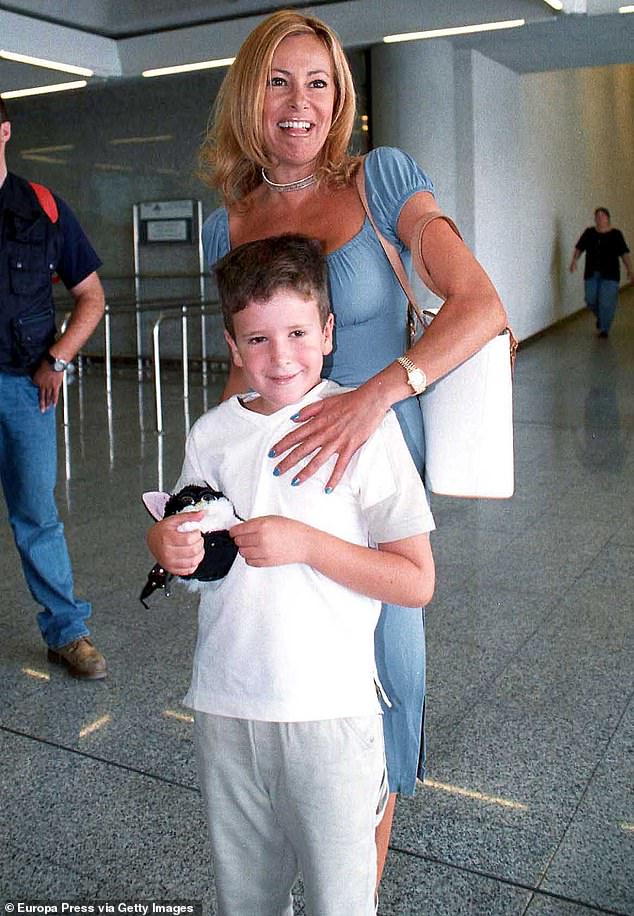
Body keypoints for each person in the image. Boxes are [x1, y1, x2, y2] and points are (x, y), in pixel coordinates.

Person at [198, 9, 507, 879]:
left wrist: (374, 397)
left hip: (376, 472)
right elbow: (247, 370)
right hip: (284, 484)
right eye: (279, 81)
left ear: (341, 99)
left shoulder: (382, 179)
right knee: (299, 679)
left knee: (385, 677)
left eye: (319, 81)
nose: (300, 103)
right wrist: (204, 477)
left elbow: (479, 303)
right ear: (249, 96)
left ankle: (355, 889)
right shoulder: (229, 222)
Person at [147, 234, 436, 915]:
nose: (280, 358)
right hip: (227, 705)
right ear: (231, 344)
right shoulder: (212, 434)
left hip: (330, 715)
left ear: (329, 332)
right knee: (246, 897)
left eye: (299, 333)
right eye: (256, 340)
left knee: (341, 899)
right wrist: (167, 545)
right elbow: (199, 548)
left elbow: (415, 580)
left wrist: (305, 542)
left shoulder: (362, 427)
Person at [0, 99, 107, 679]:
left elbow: (92, 297)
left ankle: (66, 632)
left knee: (37, 515)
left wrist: (59, 359)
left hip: (24, 390)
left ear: (5, 131)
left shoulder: (42, 209)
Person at [569, 207, 633, 338]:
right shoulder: (589, 233)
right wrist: (574, 260)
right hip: (592, 273)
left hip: (610, 274)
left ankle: (604, 329)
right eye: (597, 216)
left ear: (608, 218)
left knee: (606, 302)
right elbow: (579, 248)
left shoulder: (616, 234)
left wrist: (630, 269)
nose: (599, 218)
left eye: (602, 216)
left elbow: (624, 253)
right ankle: (602, 318)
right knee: (590, 299)